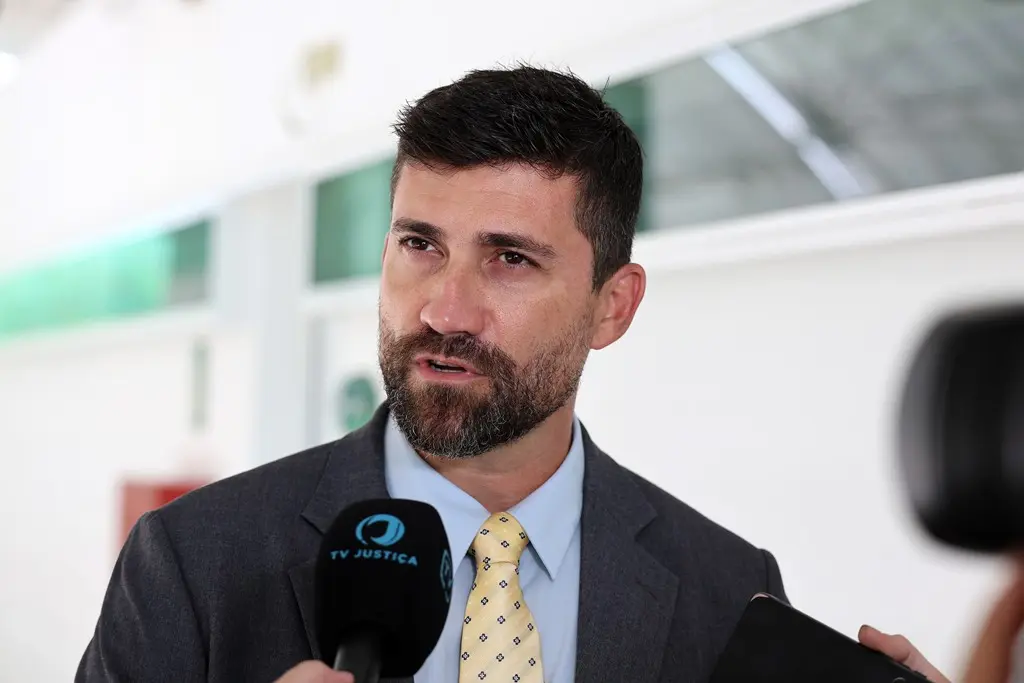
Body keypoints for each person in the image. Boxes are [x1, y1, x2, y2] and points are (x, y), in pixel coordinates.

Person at [76, 64, 945, 683]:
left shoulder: (724, 587)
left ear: (614, 305)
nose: (445, 310)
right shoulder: (193, 564)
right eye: (420, 245)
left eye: (510, 260)